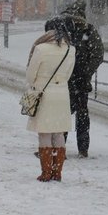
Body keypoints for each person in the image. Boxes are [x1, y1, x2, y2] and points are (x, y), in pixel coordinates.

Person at [49, 1, 104, 157]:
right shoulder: (88, 29)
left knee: (61, 113)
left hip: (62, 79)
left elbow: (50, 51)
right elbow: (98, 55)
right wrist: (86, 72)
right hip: (80, 80)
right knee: (82, 114)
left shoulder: (60, 28)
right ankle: (83, 148)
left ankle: (58, 147)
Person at [26, 18, 76, 181]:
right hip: (62, 94)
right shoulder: (70, 50)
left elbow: (30, 75)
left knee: (45, 133)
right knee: (59, 133)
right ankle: (57, 172)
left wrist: (36, 84)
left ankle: (46, 172)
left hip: (44, 93)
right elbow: (68, 75)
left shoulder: (40, 49)